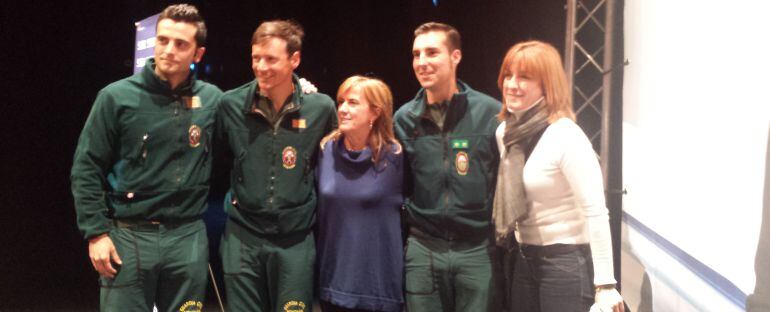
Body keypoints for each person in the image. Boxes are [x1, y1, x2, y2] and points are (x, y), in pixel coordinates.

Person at [70, 4, 221, 311]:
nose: (168, 50)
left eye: (181, 44)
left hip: (187, 235)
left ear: (198, 54)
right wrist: (96, 233)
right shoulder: (115, 97)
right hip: (129, 234)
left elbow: (254, 117)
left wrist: (302, 93)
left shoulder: (213, 100)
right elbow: (86, 168)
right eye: (163, 40)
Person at [491, 40, 624, 312]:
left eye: (524, 77)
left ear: (546, 86)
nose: (511, 84)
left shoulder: (565, 135)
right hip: (524, 259)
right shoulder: (505, 133)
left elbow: (596, 212)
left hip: (565, 263)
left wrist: (606, 286)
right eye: (508, 75)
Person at [216, 19, 337, 311]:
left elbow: (329, 169)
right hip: (242, 237)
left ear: (294, 60)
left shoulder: (320, 108)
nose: (261, 67)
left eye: (271, 59)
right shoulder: (230, 105)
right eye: (256, 58)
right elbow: (218, 161)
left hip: (295, 239)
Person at [393, 22, 502, 312]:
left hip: (476, 248)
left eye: (432, 52)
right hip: (424, 248)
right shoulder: (404, 118)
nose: (422, 62)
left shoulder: (489, 112)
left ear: (455, 56)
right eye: (416, 55)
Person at [316, 76, 404, 312]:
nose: (343, 109)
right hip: (334, 282)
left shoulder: (395, 156)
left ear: (375, 112)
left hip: (378, 288)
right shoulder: (326, 151)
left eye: (353, 103)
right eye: (341, 102)